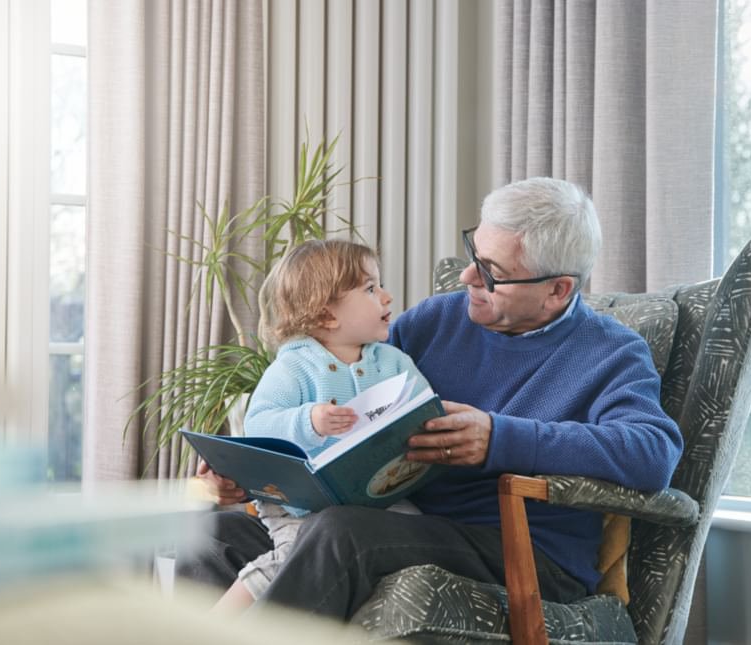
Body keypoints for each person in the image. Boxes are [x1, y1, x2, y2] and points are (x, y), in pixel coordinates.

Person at [176, 177, 683, 621]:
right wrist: (250, 471)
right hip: (400, 516)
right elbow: (348, 402)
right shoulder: (436, 320)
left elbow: (653, 452)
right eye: (472, 255)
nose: (466, 278)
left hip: (517, 550)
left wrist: (499, 438)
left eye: (490, 272)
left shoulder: (610, 353)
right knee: (214, 534)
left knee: (341, 536)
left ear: (557, 290)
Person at [194, 239, 430, 613]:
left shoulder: (395, 362)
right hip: (296, 505)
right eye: (370, 289)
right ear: (326, 316)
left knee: (418, 533)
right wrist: (310, 421)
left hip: (379, 499)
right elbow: (260, 427)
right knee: (293, 555)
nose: (386, 297)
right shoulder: (293, 368)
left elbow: (422, 409)